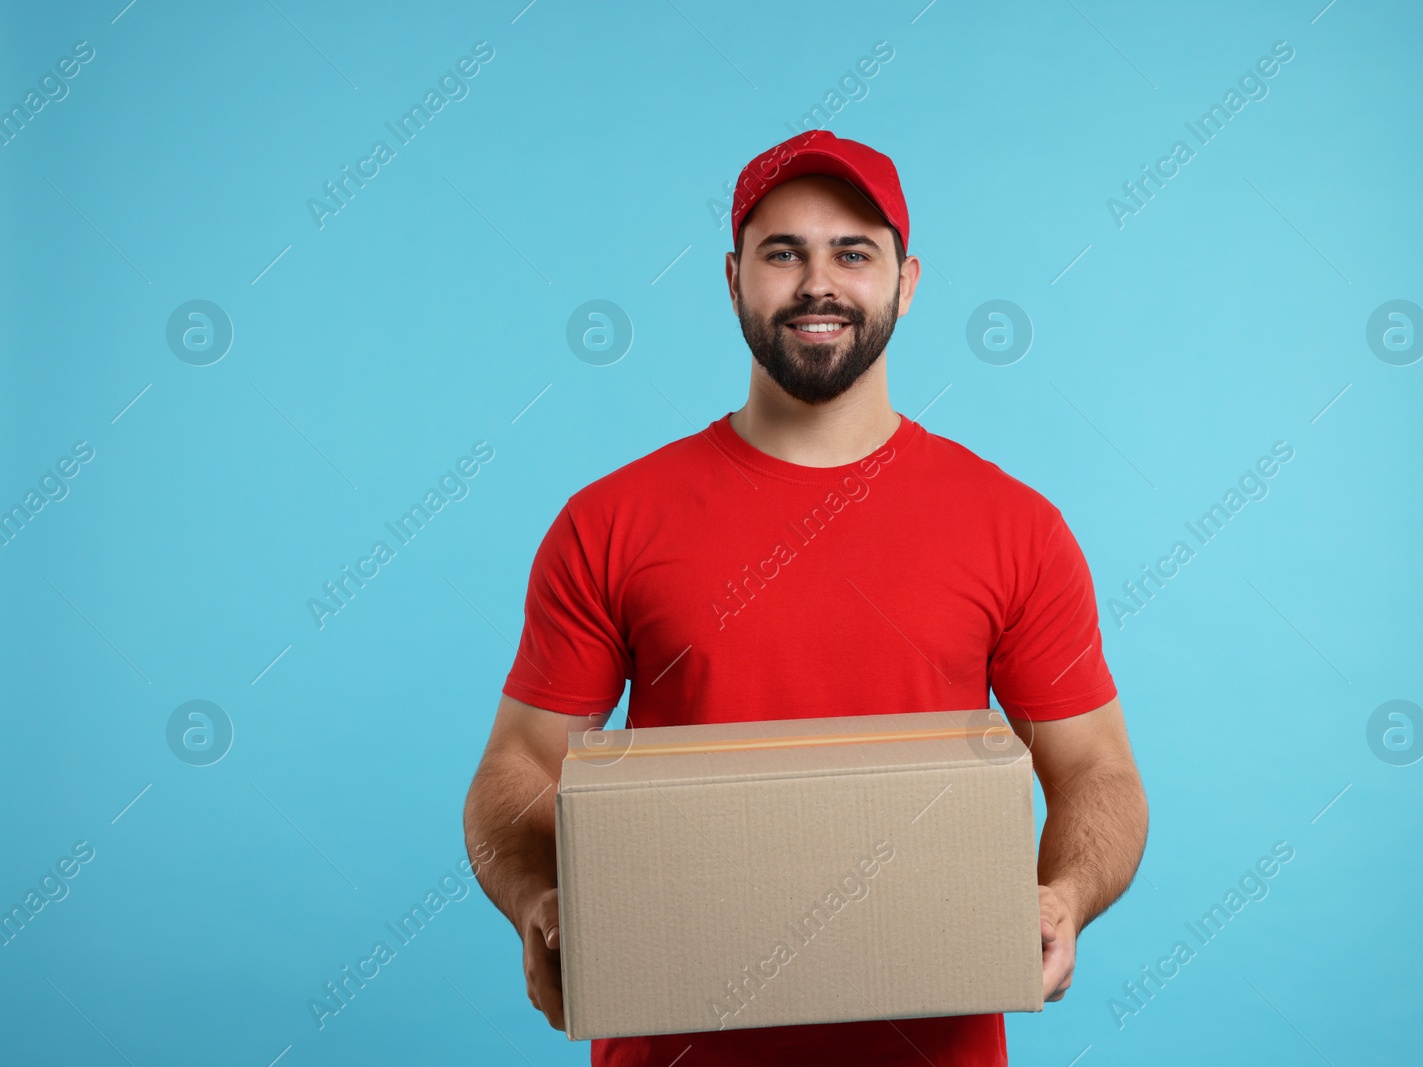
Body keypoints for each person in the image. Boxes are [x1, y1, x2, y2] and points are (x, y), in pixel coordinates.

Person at [462, 129, 1148, 1066]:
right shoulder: (610, 521)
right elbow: (517, 766)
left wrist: (1062, 894)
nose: (817, 283)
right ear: (735, 277)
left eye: (852, 253)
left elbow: (1098, 771)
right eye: (783, 253)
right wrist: (538, 902)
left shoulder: (1014, 528)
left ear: (907, 283)